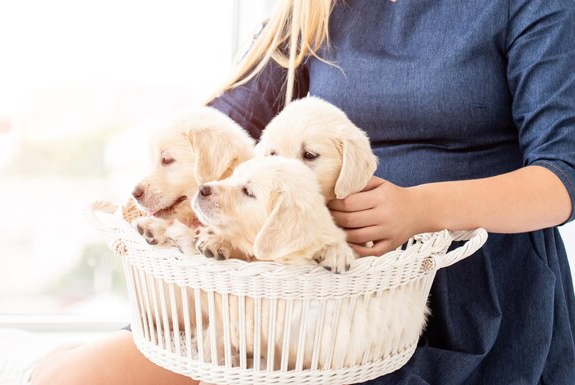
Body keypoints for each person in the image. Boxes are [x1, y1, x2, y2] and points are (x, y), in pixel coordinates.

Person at [31, 0, 575, 384]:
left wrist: (417, 210)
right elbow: (228, 121)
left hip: (465, 290)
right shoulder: (316, 6)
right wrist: (169, 186)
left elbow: (561, 178)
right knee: (67, 375)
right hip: (294, 278)